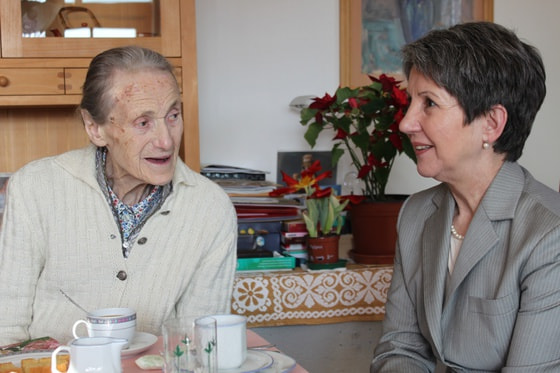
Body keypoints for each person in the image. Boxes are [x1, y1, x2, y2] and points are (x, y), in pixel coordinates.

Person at [0, 46, 238, 345]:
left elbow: (199, 343)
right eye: (143, 122)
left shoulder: (211, 210)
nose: (166, 140)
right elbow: (5, 328)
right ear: (94, 128)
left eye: (173, 115)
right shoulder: (35, 188)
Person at [371, 22, 560, 372]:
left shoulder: (550, 234)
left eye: (428, 103)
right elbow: (400, 348)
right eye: (412, 101)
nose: (406, 122)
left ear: (491, 123)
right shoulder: (415, 214)